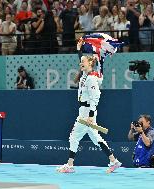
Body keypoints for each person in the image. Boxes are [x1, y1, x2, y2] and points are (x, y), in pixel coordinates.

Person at [56, 40, 121, 173]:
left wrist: (90, 116)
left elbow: (95, 98)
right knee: (96, 138)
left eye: (83, 62)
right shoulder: (86, 74)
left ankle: (69, 165)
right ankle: (114, 161)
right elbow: (84, 61)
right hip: (85, 111)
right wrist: (79, 49)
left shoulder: (91, 78)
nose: (81, 63)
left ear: (90, 63)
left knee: (74, 137)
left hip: (86, 113)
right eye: (81, 62)